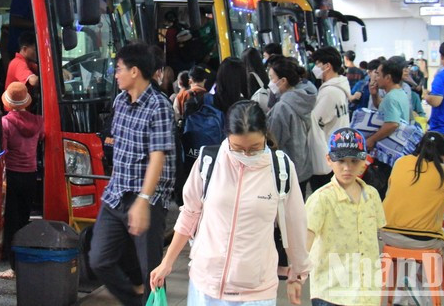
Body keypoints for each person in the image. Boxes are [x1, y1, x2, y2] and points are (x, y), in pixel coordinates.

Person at [150, 101, 311, 305]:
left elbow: (295, 224)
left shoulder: (281, 169)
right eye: (237, 148)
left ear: (265, 135)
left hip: (255, 291)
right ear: (226, 137)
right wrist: (167, 262)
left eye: (254, 148)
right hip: (205, 284)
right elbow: (190, 214)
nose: (245, 155)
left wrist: (297, 273)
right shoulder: (208, 161)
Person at [89, 42, 175, 306]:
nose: (116, 75)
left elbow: (157, 157)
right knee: (98, 259)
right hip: (116, 194)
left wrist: (143, 200)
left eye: (119, 69)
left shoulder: (159, 107)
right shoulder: (120, 101)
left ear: (135, 71)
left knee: (151, 271)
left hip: (146, 199)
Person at [305, 128, 385, 306]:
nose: (347, 167)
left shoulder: (372, 196)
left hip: (367, 293)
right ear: (329, 160)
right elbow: (306, 241)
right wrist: (297, 275)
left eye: (354, 161)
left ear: (364, 161)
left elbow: (378, 236)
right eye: (340, 160)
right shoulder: (321, 199)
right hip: (331, 293)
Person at [0, 82, 44, 279]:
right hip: (31, 175)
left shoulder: (6, 123)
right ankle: (24, 261)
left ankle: (14, 267)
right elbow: (42, 138)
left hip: (13, 177)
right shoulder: (39, 121)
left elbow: (3, 150)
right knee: (24, 220)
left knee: (11, 223)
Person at [267, 56, 316, 193]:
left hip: (287, 170)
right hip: (303, 166)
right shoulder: (305, 98)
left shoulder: (282, 107)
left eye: (272, 78)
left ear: (283, 81)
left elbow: (274, 141)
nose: (270, 83)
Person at [310, 47, 350, 191]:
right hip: (339, 149)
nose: (314, 67)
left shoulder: (329, 92)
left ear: (327, 66)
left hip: (329, 153)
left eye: (317, 63)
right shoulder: (341, 86)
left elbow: (316, 121)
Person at [365, 58, 411, 152]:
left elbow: (392, 124)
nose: (376, 78)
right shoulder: (399, 93)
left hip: (391, 149)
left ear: (388, 78)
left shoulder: (391, 98)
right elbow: (384, 108)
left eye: (378, 74)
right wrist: (374, 94)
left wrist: (372, 139)